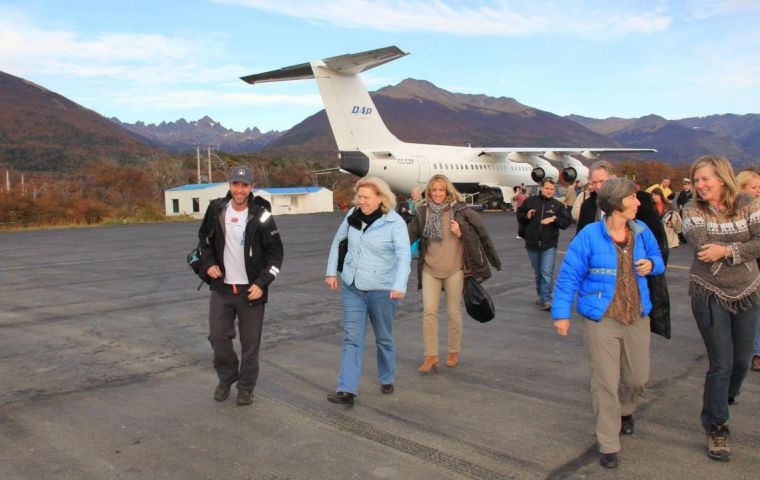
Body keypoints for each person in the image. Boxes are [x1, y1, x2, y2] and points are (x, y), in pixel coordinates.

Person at [552, 178, 665, 469]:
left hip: (637, 316)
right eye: (633, 198)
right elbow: (568, 277)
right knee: (605, 381)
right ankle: (608, 442)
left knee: (638, 377)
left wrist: (652, 265)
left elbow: (659, 257)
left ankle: (626, 410)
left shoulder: (642, 232)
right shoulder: (589, 236)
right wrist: (561, 313)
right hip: (601, 319)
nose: (639, 202)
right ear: (616, 202)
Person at [682, 156, 760, 461]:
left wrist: (726, 250)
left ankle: (724, 397)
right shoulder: (692, 209)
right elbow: (703, 250)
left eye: (706, 179)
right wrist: (742, 250)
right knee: (721, 363)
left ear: (722, 178)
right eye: (696, 180)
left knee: (741, 361)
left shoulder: (748, 203)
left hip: (748, 290)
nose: (700, 185)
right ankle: (716, 426)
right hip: (709, 292)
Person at [198, 165, 284, 406]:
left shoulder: (262, 215)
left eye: (244, 185)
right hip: (222, 289)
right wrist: (209, 264)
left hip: (251, 291)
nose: (239, 189)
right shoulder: (216, 209)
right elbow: (203, 239)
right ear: (230, 185)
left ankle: (246, 386)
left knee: (250, 344)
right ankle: (227, 377)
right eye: (236, 184)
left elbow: (276, 254)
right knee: (218, 336)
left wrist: (263, 282)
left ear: (251, 187)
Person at [324, 176, 411, 406]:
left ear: (380, 198)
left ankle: (387, 376)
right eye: (359, 196)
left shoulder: (395, 223)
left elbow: (404, 257)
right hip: (352, 286)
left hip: (382, 289)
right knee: (352, 338)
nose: (360, 201)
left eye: (366, 197)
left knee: (383, 338)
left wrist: (399, 285)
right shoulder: (352, 216)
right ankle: (347, 390)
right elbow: (337, 242)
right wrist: (331, 272)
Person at [408, 174, 501, 373]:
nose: (437, 194)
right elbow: (407, 236)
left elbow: (482, 234)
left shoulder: (460, 211)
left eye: (441, 190)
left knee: (453, 313)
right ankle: (431, 356)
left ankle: (453, 351)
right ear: (429, 192)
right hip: (430, 269)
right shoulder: (422, 213)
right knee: (429, 313)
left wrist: (461, 233)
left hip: (454, 269)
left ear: (448, 191)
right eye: (434, 190)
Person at [577, 161, 669, 264]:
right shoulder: (587, 206)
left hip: (636, 267)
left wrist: (652, 263)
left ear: (614, 179)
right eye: (594, 182)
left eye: (602, 181)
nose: (598, 187)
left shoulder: (639, 201)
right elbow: (579, 240)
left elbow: (657, 235)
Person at [516, 179, 571, 310]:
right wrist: (527, 215)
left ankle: (547, 298)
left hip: (549, 244)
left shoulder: (558, 206)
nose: (549, 191)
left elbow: (566, 222)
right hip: (532, 243)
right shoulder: (530, 202)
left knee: (546, 271)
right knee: (538, 272)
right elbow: (520, 215)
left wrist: (554, 219)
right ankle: (541, 294)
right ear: (541, 188)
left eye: (552, 189)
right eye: (547, 188)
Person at [736, 169, 760, 372]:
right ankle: (756, 353)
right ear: (741, 189)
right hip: (747, 268)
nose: (759, 190)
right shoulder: (737, 212)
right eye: (755, 187)